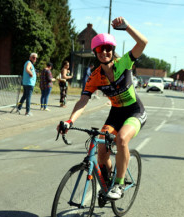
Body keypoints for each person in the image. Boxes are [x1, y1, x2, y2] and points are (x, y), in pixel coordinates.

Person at [58, 16, 148, 200]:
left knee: (122, 139)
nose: (104, 52)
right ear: (95, 52)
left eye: (108, 49)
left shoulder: (123, 63)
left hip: (134, 111)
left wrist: (127, 27)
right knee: (101, 150)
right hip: (116, 113)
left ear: (112, 50)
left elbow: (143, 42)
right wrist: (69, 121)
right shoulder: (95, 76)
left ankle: (120, 185)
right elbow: (83, 100)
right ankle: (107, 183)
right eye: (100, 49)